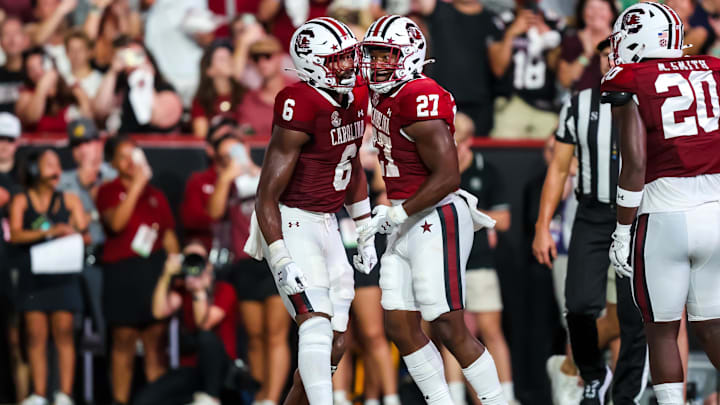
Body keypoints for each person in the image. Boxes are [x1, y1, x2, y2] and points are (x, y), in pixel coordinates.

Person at [358, 15, 504, 405]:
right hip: (408, 218)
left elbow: (448, 175)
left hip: (435, 215)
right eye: (372, 55)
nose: (376, 64)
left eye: (385, 55)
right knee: (399, 325)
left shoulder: (419, 94)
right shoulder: (386, 94)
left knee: (450, 326)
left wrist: (398, 212)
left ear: (409, 56)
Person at [245, 17, 373, 405]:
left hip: (329, 223)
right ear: (312, 63)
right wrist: (280, 255)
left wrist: (364, 225)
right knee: (314, 329)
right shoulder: (298, 102)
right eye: (338, 60)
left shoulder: (356, 96)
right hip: (290, 220)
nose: (349, 65)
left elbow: (350, 165)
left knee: (334, 345)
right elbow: (265, 194)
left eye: (350, 56)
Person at [601, 3, 720, 404]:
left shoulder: (629, 76)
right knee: (713, 327)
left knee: (663, 331)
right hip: (716, 210)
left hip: (665, 213)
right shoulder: (712, 68)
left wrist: (621, 229)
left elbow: (634, 163)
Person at [533, 38, 648, 405]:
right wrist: (542, 225)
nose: (610, 58)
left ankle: (626, 395)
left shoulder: (650, 100)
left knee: (635, 316)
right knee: (579, 305)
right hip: (593, 214)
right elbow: (559, 167)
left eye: (617, 51)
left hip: (641, 214)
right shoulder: (579, 103)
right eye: (604, 53)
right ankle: (593, 375)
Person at [96, 136, 180, 405]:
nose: (130, 161)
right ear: (113, 163)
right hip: (122, 273)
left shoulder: (156, 196)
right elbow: (117, 224)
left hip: (152, 273)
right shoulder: (107, 191)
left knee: (156, 345)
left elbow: (168, 236)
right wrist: (138, 185)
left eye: (134, 154)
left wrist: (175, 266)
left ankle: (156, 400)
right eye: (123, 156)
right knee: (123, 343)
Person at [440, 112, 515, 405]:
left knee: (491, 331)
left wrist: (467, 214)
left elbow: (505, 220)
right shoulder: (437, 170)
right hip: (445, 266)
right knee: (451, 334)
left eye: (455, 143)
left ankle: (506, 397)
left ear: (469, 142)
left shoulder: (487, 171)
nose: (449, 149)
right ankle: (455, 399)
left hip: (479, 262)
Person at [9, 148, 88, 405]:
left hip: (63, 274)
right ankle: (39, 393)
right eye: (49, 164)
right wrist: (50, 232)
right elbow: (15, 234)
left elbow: (86, 233)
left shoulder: (70, 200)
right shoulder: (22, 200)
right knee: (34, 333)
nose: (56, 171)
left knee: (64, 330)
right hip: (34, 275)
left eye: (58, 165)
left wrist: (72, 232)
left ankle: (64, 394)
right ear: (34, 170)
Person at [135, 241, 238, 405]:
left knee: (206, 338)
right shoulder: (183, 292)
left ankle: (211, 397)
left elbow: (204, 325)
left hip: (221, 367)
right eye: (189, 258)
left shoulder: (225, 289)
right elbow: (158, 311)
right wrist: (166, 275)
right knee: (145, 400)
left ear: (208, 264)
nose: (193, 263)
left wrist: (199, 291)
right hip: (191, 368)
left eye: (198, 259)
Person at [414, 0, 507, 135]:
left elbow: (499, 68)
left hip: (478, 106)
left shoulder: (491, 20)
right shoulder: (440, 10)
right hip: (441, 103)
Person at [490, 2, 565, 139]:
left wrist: (550, 38)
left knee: (555, 149)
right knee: (503, 150)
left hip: (546, 105)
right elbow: (498, 69)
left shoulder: (555, 22)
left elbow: (563, 75)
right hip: (511, 102)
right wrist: (511, 34)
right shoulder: (501, 22)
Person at [93, 37, 183, 134]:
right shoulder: (120, 86)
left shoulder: (163, 88)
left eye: (138, 55)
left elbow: (157, 118)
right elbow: (99, 111)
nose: (134, 61)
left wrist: (146, 82)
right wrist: (113, 71)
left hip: (153, 143)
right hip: (124, 141)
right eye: (129, 56)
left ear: (148, 59)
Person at [58, 118, 116, 256]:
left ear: (99, 144)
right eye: (76, 145)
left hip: (110, 251)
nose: (82, 149)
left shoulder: (115, 176)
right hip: (75, 253)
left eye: (87, 142)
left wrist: (91, 188)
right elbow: (50, 222)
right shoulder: (61, 181)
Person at [15, 46, 92, 132]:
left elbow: (88, 122)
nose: (37, 72)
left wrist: (81, 98)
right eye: (31, 69)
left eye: (41, 65)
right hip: (37, 144)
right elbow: (32, 119)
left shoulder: (73, 90)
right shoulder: (26, 95)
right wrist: (42, 87)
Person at [236, 36, 295, 138]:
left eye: (268, 56)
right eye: (256, 58)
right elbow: (245, 136)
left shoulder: (299, 92)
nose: (262, 63)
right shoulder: (248, 100)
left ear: (280, 57)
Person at [191, 41, 247, 139]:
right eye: (222, 59)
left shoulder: (246, 95)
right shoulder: (201, 101)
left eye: (230, 57)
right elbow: (200, 137)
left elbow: (253, 129)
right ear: (209, 70)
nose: (229, 61)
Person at [557, 0, 617, 91]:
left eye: (601, 8)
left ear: (612, 14)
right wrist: (587, 54)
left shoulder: (622, 41)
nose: (596, 13)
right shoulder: (572, 41)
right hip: (581, 101)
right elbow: (565, 82)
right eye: (591, 8)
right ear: (582, 13)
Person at [0, 17, 29, 113]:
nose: (12, 40)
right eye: (6, 34)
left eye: (16, 33)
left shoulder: (34, 74)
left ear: (26, 39)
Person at [64, 30, 103, 99]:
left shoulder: (100, 81)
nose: (76, 54)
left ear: (89, 52)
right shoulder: (61, 81)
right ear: (66, 53)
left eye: (80, 49)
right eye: (71, 49)